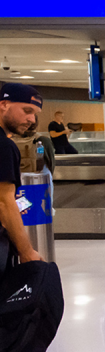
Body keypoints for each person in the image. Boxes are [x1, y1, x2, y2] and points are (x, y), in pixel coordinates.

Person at [0, 83, 44, 266]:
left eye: (34, 114)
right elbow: (3, 202)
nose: (32, 119)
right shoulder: (4, 146)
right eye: (27, 110)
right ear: (4, 104)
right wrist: (26, 251)